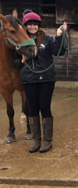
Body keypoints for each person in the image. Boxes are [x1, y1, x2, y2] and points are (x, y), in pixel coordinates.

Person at [13, 9, 68, 153]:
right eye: (29, 24)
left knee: (45, 107)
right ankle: (36, 140)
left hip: (46, 79)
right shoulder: (20, 41)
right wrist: (22, 59)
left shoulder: (47, 39)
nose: (32, 26)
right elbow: (15, 63)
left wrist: (59, 36)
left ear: (38, 25)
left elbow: (59, 51)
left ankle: (47, 141)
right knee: (32, 109)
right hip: (29, 79)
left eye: (35, 24)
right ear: (25, 25)